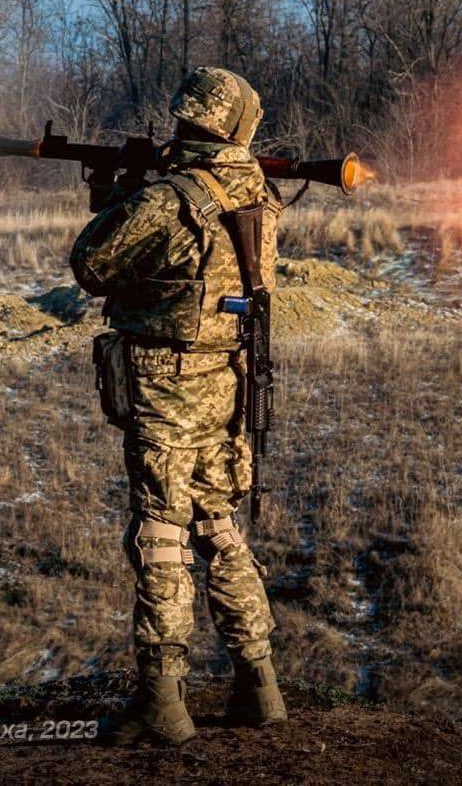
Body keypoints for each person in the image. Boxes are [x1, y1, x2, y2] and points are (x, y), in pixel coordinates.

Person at [71, 66, 288, 746]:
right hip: (226, 377)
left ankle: (162, 700)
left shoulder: (168, 198)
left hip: (165, 381)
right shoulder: (260, 193)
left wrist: (116, 195)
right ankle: (260, 683)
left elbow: (92, 266)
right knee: (219, 523)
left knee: (162, 532)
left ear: (186, 118)